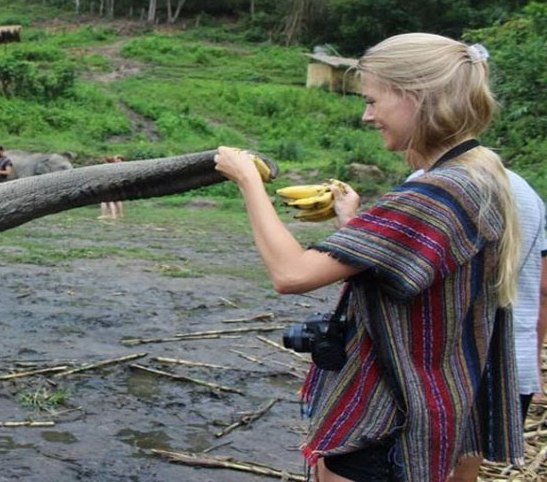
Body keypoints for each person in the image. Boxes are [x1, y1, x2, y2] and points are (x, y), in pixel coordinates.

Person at [214, 33, 524, 482]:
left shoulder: (436, 192)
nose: (367, 115)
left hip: (389, 420)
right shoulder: (478, 175)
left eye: (374, 100)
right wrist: (352, 224)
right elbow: (419, 271)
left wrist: (248, 181)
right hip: (442, 403)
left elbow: (290, 274)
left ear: (416, 98)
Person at [448, 168, 546, 482]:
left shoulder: (434, 181)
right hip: (512, 361)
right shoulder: (528, 193)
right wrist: (532, 360)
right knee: (465, 467)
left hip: (449, 359)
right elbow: (543, 290)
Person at [98, 155, 125, 220]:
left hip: (110, 185)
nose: (116, 160)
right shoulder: (121, 167)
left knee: (107, 200)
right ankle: (118, 214)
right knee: (116, 200)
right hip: (118, 184)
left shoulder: (109, 167)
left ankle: (109, 215)